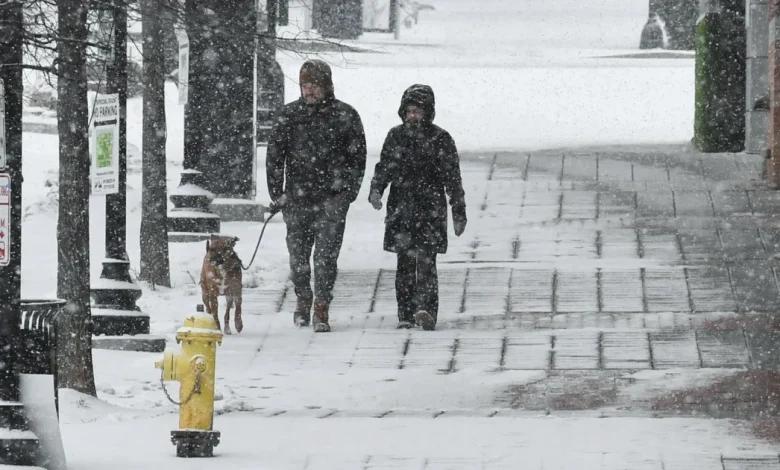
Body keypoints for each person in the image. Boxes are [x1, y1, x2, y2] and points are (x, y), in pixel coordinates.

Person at [266, 59, 367, 333]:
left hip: (332, 198)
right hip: (297, 198)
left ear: (327, 86)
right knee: (298, 257)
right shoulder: (289, 116)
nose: (309, 91)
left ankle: (321, 306)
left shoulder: (345, 116)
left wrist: (348, 192)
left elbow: (357, 158)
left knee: (325, 257)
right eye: (305, 85)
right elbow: (274, 157)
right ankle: (303, 298)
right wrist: (278, 194)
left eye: (314, 85)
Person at [368, 84, 467, 331]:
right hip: (401, 208)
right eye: (409, 111)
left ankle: (426, 309)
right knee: (404, 265)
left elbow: (452, 177)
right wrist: (376, 190)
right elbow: (385, 167)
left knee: (426, 263)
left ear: (428, 113)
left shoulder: (440, 139)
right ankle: (405, 313)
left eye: (418, 111)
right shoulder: (396, 136)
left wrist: (458, 210)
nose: (413, 116)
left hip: (430, 209)